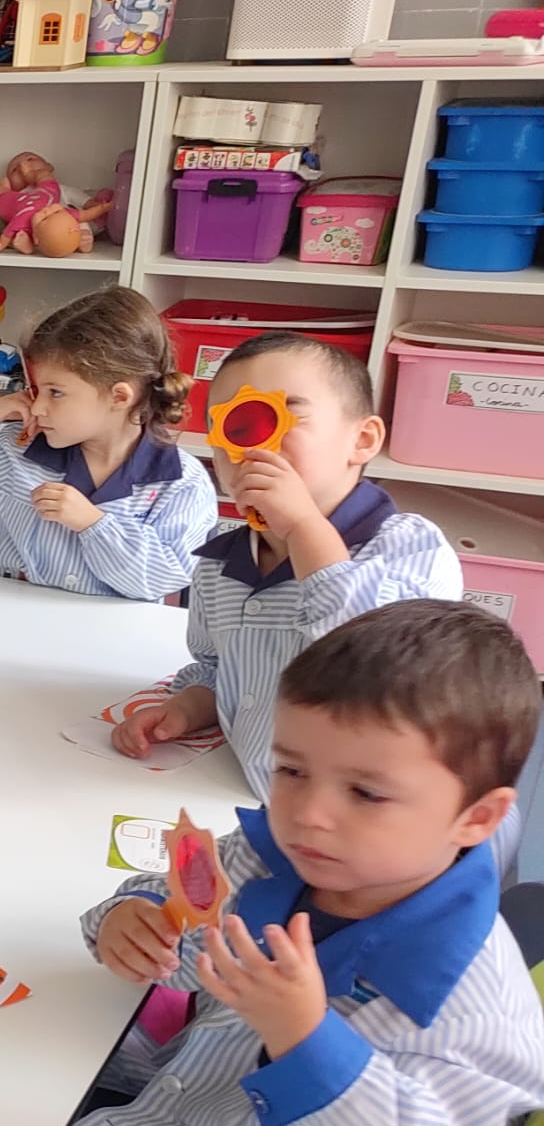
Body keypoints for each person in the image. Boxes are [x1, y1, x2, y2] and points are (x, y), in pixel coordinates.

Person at [0, 601, 544, 1126]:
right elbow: (177, 908)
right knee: (1, 1101)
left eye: (366, 793)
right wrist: (129, 920)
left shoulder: (472, 1006)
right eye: (292, 769)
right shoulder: (276, 856)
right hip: (205, 1103)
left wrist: (306, 1041)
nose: (309, 815)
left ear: (476, 818)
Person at [112, 333, 462, 797]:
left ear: (362, 440)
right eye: (231, 425)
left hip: (355, 814)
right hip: (244, 793)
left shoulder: (410, 549)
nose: (253, 442)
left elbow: (381, 666)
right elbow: (218, 669)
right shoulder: (221, 564)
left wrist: (303, 527)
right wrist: (186, 709)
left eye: (287, 414)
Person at [0, 286, 216, 600]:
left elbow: (162, 578)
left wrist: (92, 524)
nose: (37, 407)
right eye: (36, 390)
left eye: (55, 392)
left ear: (119, 397)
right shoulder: (20, 447)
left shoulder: (182, 483)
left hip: (104, 627)